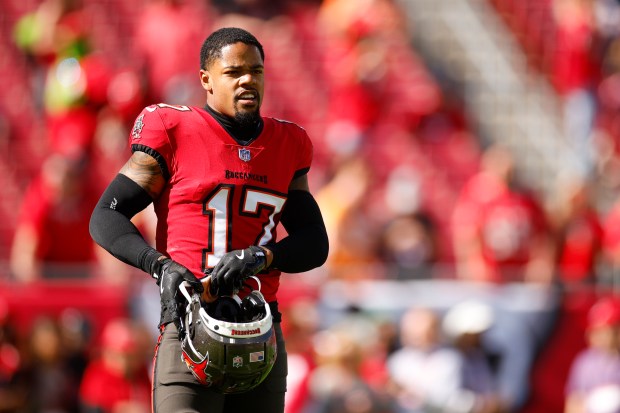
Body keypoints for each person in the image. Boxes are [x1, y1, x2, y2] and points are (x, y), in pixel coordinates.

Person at [89, 27, 329, 413]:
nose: (248, 79)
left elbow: (315, 242)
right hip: (189, 325)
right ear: (207, 79)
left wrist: (261, 257)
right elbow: (106, 215)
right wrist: (160, 266)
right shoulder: (173, 128)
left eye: (256, 70)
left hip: (259, 328)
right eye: (234, 72)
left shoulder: (289, 144)